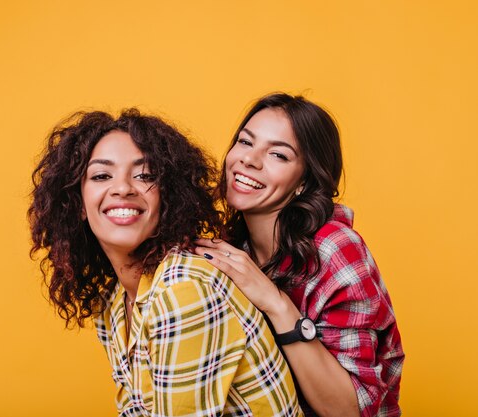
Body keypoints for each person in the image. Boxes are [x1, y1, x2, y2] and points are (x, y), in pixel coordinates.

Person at [28, 109, 303, 416]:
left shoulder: (183, 288)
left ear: (166, 197)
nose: (123, 188)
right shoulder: (114, 302)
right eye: (101, 176)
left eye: (145, 175)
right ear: (78, 205)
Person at [195, 93, 404, 417]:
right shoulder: (236, 249)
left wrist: (276, 303)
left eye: (278, 154)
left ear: (304, 181)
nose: (249, 160)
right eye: (245, 142)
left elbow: (350, 410)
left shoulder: (335, 250)